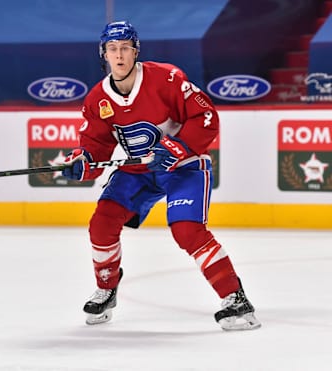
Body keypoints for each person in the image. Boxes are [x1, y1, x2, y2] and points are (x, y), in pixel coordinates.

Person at [61, 20, 261, 331]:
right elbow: (96, 147)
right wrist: (83, 161)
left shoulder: (166, 78)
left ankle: (236, 300)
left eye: (125, 48)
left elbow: (206, 116)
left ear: (135, 51)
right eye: (112, 49)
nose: (119, 55)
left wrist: (178, 147)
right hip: (138, 172)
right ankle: (106, 287)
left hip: (183, 167)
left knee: (187, 230)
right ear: (104, 54)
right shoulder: (97, 99)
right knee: (101, 223)